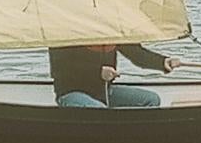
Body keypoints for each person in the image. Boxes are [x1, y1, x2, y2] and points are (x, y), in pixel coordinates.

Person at [49, 43, 181, 108]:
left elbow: (137, 53)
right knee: (100, 111)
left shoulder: (110, 27)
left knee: (151, 100)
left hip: (104, 91)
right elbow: (59, 68)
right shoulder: (65, 30)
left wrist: (163, 62)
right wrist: (97, 72)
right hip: (71, 93)